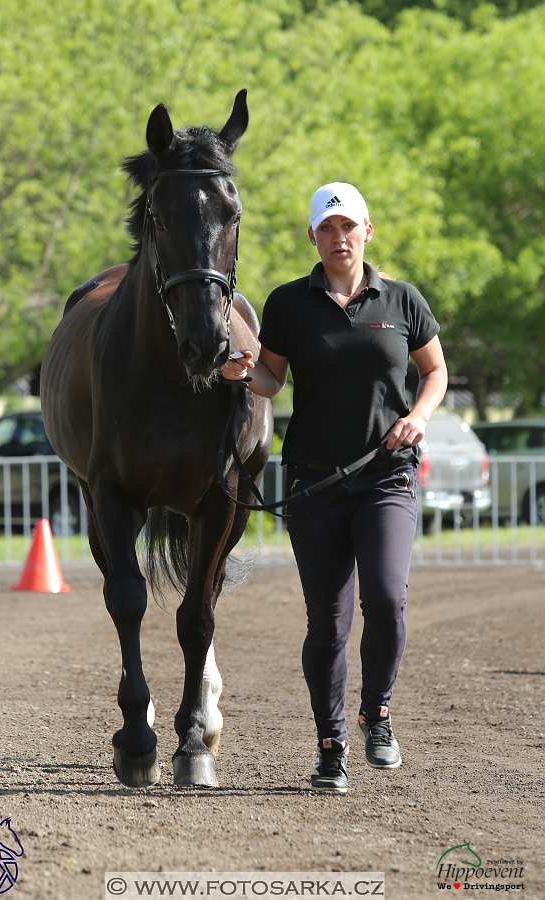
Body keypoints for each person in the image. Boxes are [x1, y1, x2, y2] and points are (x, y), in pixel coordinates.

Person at [221, 182, 447, 793]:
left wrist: (420, 416)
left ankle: (377, 715)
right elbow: (272, 379)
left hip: (386, 476)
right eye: (327, 229)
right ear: (314, 238)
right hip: (315, 483)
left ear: (367, 231)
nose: (339, 238)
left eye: (348, 227)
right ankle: (331, 745)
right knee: (328, 623)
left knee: (388, 602)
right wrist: (241, 372)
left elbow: (435, 370)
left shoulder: (401, 300)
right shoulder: (290, 303)